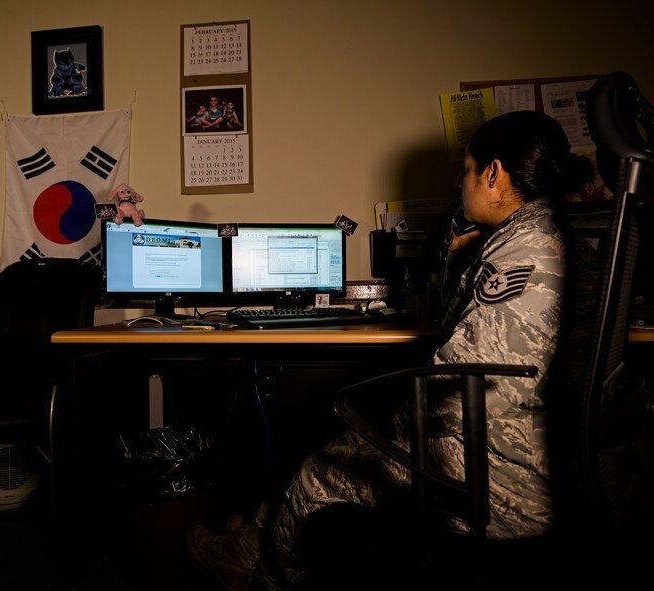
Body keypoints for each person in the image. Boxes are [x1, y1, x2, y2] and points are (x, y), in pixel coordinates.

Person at [185, 110, 596, 591]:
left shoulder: (519, 253)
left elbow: (463, 391)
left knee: (320, 469)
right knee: (351, 433)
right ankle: (255, 536)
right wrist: (459, 254)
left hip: (507, 476)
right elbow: (466, 332)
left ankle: (257, 575)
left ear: (493, 173)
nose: (460, 184)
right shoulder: (549, 237)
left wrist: (387, 425)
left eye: (465, 170)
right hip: (557, 454)